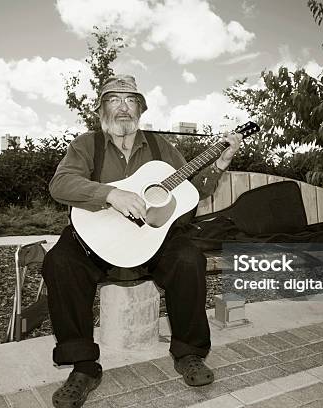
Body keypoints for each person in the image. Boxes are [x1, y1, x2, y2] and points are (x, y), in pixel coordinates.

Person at [42, 74, 242, 407]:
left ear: (140, 108)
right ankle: (83, 366)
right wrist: (110, 194)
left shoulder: (162, 148)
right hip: (97, 239)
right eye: (114, 99)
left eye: (130, 100)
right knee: (60, 263)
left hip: (151, 240)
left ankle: (189, 353)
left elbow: (193, 190)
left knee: (189, 258)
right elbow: (60, 185)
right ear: (102, 108)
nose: (123, 107)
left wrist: (219, 163)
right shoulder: (86, 145)